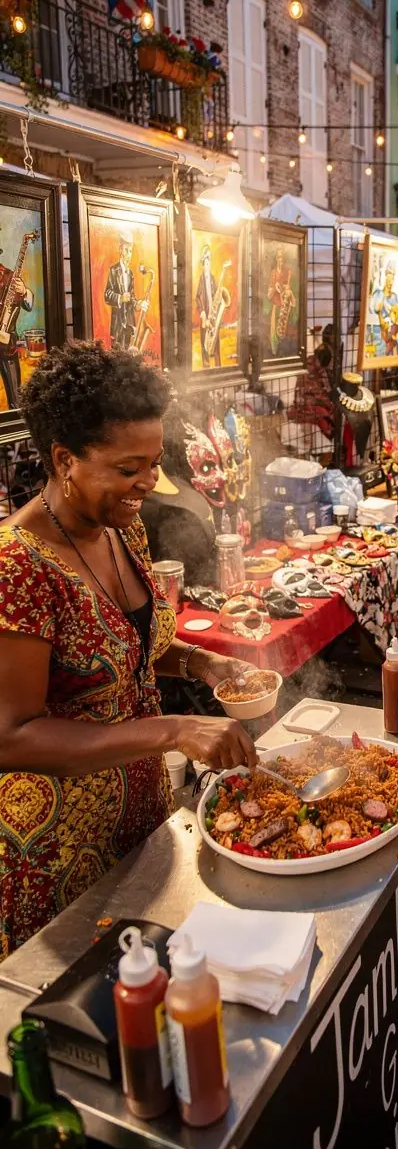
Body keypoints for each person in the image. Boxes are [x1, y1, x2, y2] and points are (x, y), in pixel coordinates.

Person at [0, 343, 257, 959]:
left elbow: (122, 646)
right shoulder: (18, 566)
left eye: (153, 461)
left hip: (141, 817)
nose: (148, 482)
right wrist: (171, 729)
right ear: (65, 459)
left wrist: (199, 661)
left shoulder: (122, 526)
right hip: (58, 849)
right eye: (128, 467)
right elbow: (12, 736)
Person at [0, 245, 34, 411]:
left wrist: (24, 291)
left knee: (16, 400)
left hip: (7, 347)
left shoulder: (10, 276)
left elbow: (28, 306)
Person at [104, 229, 136, 352]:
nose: (129, 254)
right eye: (127, 250)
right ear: (121, 250)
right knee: (117, 356)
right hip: (118, 324)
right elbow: (107, 294)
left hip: (129, 323)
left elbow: (132, 296)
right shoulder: (113, 270)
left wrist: (138, 304)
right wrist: (120, 298)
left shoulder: (131, 274)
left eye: (131, 251)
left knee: (130, 356)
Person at [195, 244, 220, 366]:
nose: (208, 264)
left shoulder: (212, 278)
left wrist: (217, 304)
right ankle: (206, 363)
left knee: (216, 339)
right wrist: (203, 314)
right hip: (206, 316)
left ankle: (218, 363)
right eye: (206, 260)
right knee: (204, 340)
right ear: (203, 263)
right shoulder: (201, 279)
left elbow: (216, 294)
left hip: (213, 315)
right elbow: (197, 298)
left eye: (209, 260)